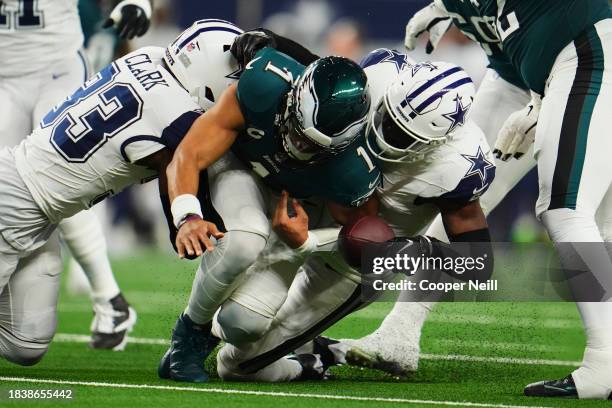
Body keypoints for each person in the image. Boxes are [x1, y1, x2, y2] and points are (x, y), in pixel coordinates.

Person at [361, 0, 612, 400]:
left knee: (570, 210)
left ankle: (604, 362)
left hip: (581, 54)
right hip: (522, 74)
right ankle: (399, 332)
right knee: (456, 185)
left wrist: (539, 102)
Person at [200, 46, 494, 383]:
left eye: (401, 135)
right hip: (313, 202)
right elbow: (321, 77)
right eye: (385, 117)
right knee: (234, 319)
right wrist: (275, 44)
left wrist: (417, 250)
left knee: (236, 366)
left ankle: (318, 358)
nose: (384, 133)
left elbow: (479, 264)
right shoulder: (380, 71)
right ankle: (199, 337)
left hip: (348, 263)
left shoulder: (459, 167)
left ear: (438, 141)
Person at [0, 18, 242, 366]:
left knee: (25, 346)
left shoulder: (146, 56)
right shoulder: (173, 113)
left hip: (39, 217)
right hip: (13, 205)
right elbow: (182, 163)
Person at [158, 30, 381, 383]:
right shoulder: (265, 83)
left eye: (309, 144)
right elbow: (189, 152)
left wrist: (304, 243)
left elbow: (364, 243)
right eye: (294, 128)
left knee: (243, 324)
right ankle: (189, 337)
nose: (294, 144)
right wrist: (187, 215)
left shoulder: (351, 171)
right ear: (293, 98)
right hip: (240, 171)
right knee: (245, 241)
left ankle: (306, 362)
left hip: (292, 215)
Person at [0, 0, 152, 349]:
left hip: (58, 70)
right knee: (11, 193)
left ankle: (108, 298)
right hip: (4, 81)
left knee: (51, 176)